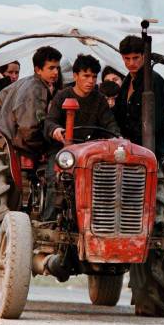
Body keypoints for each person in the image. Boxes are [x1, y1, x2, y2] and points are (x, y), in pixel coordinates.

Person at [43, 54, 120, 221]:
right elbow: (50, 121)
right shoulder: (62, 95)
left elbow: (110, 124)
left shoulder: (99, 100)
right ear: (75, 76)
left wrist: (118, 138)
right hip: (64, 151)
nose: (91, 81)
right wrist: (56, 130)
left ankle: (99, 220)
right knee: (54, 180)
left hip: (89, 152)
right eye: (86, 76)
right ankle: (48, 222)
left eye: (94, 77)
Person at [0, 46, 62, 159]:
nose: (56, 72)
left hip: (7, 140)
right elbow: (29, 128)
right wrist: (42, 149)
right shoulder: (36, 89)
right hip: (20, 148)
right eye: (51, 68)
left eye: (57, 68)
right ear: (38, 70)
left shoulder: (24, 81)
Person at [113, 35, 164, 160]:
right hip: (126, 150)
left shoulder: (155, 81)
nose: (131, 63)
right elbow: (119, 115)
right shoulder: (126, 82)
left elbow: (157, 120)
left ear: (144, 56)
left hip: (150, 152)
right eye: (127, 59)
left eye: (135, 58)